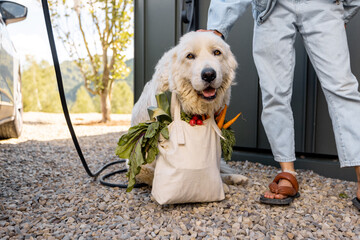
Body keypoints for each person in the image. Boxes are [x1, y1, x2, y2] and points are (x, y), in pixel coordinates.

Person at [200, 0, 360, 208]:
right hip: (272, 8)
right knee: (274, 92)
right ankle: (287, 171)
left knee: (343, 88)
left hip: (323, 5)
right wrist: (217, 27)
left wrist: (348, 8)